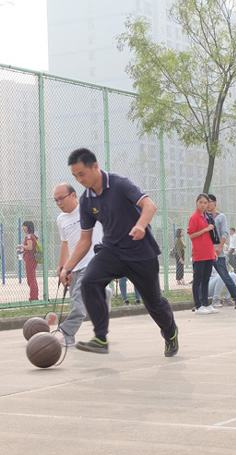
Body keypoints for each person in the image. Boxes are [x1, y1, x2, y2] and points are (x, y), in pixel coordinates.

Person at [60, 148, 178, 357]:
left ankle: (170, 332)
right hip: (112, 251)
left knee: (154, 303)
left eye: (82, 174)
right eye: (75, 176)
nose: (79, 180)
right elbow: (85, 240)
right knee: (89, 281)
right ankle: (100, 337)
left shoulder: (119, 184)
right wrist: (67, 267)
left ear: (95, 167)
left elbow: (149, 205)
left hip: (141, 252)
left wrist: (141, 225)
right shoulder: (86, 200)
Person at [54, 183, 112, 347]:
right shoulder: (60, 219)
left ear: (73, 195)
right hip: (74, 266)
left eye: (61, 198)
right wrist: (62, 266)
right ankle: (104, 295)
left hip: (92, 262)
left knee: (79, 305)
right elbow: (65, 243)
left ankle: (67, 333)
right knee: (77, 301)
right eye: (56, 200)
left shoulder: (89, 209)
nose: (59, 203)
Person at [207, 194, 236, 309]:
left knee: (225, 276)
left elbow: (225, 233)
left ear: (215, 203)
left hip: (218, 252)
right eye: (205, 202)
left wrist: (219, 247)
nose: (207, 204)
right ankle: (201, 303)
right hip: (206, 252)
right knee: (202, 277)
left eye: (209, 202)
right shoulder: (204, 217)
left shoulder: (221, 217)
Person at [188, 193, 218, 314]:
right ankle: (198, 305)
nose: (203, 205)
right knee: (198, 279)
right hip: (199, 253)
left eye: (205, 203)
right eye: (201, 202)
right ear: (196, 203)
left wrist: (213, 251)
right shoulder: (194, 217)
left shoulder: (207, 216)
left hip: (209, 252)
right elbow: (191, 235)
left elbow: (211, 236)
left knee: (206, 279)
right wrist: (204, 229)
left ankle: (206, 303)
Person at [18, 220, 39, 301]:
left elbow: (30, 247)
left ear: (28, 227)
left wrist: (21, 246)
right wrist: (22, 251)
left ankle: (33, 297)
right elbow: (31, 249)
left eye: (24, 226)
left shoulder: (29, 236)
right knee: (32, 278)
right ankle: (34, 296)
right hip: (31, 258)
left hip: (30, 260)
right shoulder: (33, 235)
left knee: (30, 279)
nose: (23, 228)